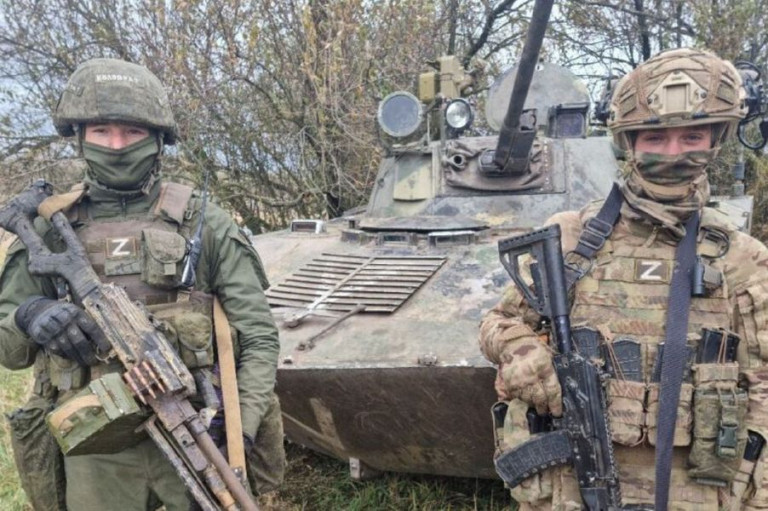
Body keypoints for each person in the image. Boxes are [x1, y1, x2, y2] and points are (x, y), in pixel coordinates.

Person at [480, 47, 768, 510]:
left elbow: (762, 387)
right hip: (574, 485)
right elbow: (497, 322)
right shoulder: (571, 238)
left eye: (692, 136)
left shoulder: (743, 258)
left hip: (697, 490)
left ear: (717, 138)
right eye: (655, 138)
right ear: (628, 142)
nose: (673, 153)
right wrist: (522, 350)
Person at [0, 58, 285, 510]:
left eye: (131, 132)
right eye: (102, 131)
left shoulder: (203, 222)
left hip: (197, 430)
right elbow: (9, 352)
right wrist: (31, 314)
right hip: (93, 447)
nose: (116, 145)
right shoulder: (48, 228)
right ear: (80, 136)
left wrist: (239, 429)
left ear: (156, 139)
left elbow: (258, 336)